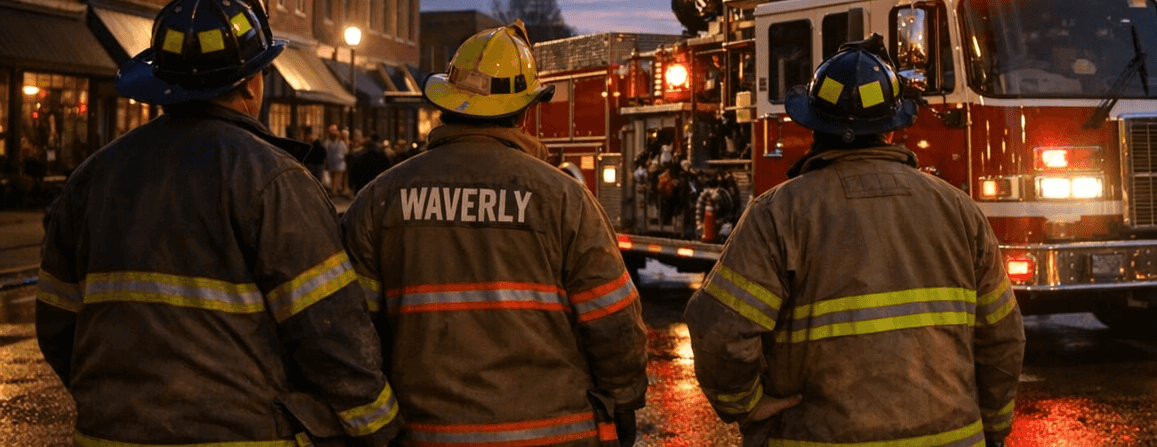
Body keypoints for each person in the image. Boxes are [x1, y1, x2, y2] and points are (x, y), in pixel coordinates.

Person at [36, 0, 403, 447]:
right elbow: (330, 335)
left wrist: (117, 403)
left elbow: (56, 322)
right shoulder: (274, 181)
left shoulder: (90, 179)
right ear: (252, 82)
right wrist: (381, 429)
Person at [685, 35, 1024, 447]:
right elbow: (1003, 339)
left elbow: (720, 332)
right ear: (893, 128)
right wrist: (993, 428)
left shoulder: (777, 214)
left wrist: (745, 404)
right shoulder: (959, 210)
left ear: (811, 124)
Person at [342, 22, 648, 447]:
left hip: (427, 435)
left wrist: (380, 430)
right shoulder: (564, 200)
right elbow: (613, 323)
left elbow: (351, 335)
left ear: (447, 104)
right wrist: (625, 400)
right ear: (525, 111)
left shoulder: (379, 200)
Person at [324, 123, 349, 196]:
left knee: (334, 178)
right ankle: (334, 191)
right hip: (337, 163)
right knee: (335, 178)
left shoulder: (328, 143)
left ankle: (334, 190)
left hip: (335, 163)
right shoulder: (339, 143)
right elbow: (346, 152)